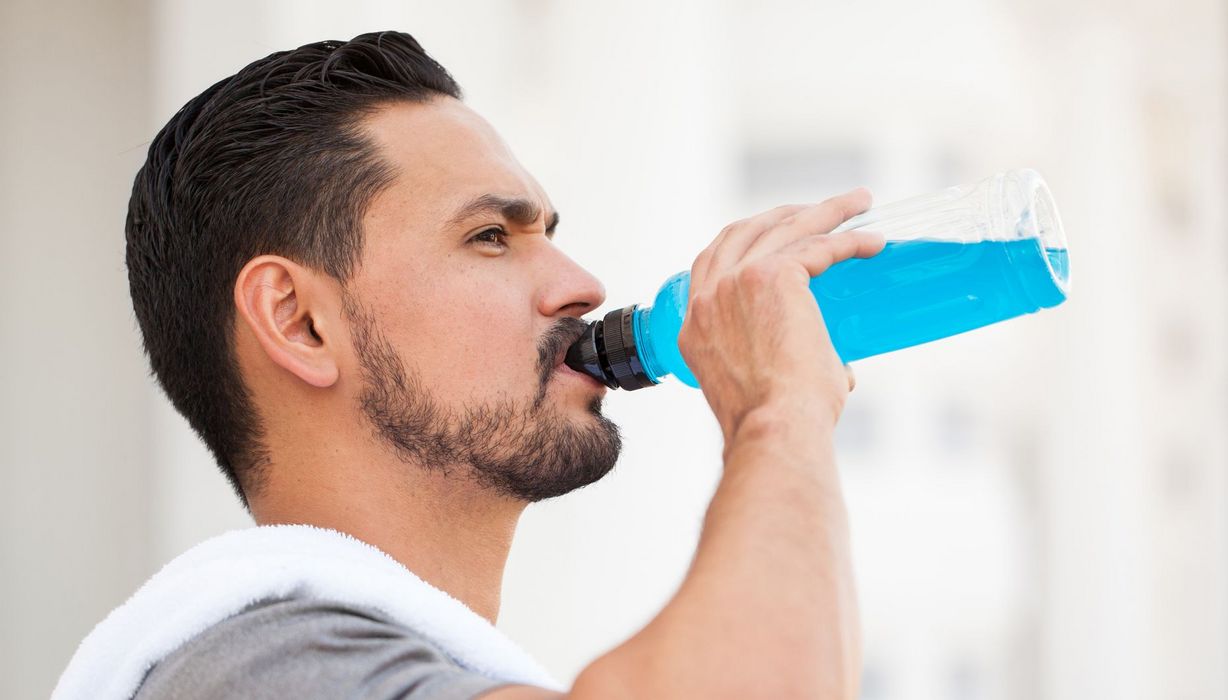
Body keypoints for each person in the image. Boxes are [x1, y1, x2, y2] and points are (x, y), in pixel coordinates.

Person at [54, 30, 885, 700]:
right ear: (300, 322)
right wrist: (781, 409)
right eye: (491, 236)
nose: (580, 285)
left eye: (547, 234)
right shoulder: (252, 671)